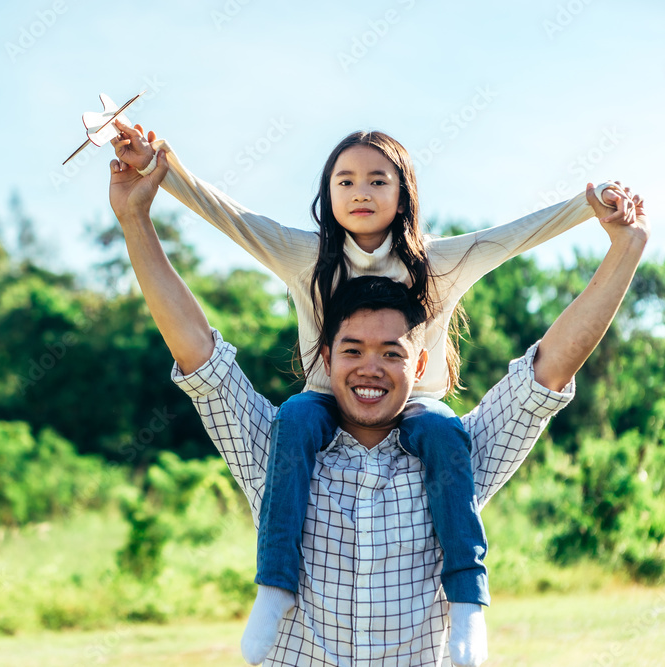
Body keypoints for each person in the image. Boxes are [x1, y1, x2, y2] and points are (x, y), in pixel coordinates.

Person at [106, 147, 647, 665]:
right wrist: (141, 208)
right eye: (352, 350)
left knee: (441, 428)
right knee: (295, 417)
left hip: (434, 440)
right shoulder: (275, 450)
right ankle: (274, 586)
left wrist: (619, 239)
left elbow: (546, 371)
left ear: (418, 364)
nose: (370, 367)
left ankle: (468, 601)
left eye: (391, 352)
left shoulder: (457, 457)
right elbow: (201, 353)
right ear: (324, 353)